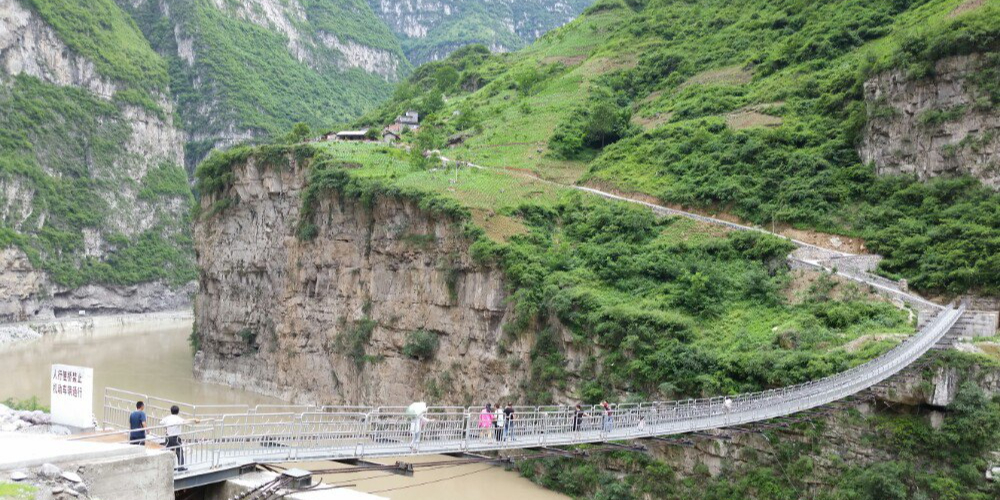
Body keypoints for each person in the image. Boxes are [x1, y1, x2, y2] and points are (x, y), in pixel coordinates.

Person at [160, 405, 201, 471]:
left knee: (170, 452)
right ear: (178, 411)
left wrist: (166, 427)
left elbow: (161, 422)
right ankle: (181, 467)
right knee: (180, 452)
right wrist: (194, 420)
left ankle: (170, 467)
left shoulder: (167, 418)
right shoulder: (178, 419)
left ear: (171, 411)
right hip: (175, 438)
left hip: (167, 438)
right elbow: (186, 421)